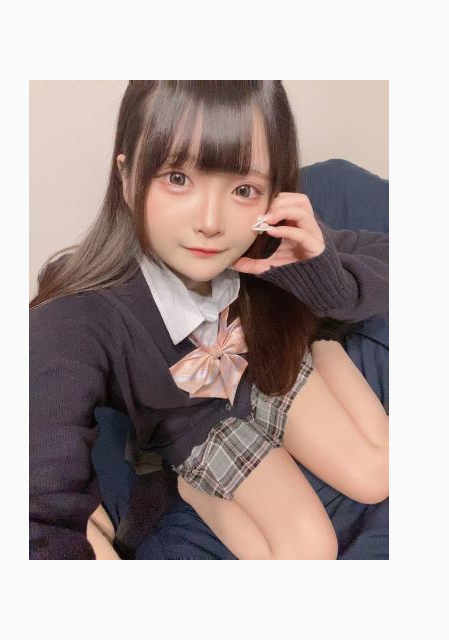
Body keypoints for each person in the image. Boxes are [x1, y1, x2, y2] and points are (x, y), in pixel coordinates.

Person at [30, 80, 389, 560]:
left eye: (243, 189)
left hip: (271, 368)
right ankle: (193, 485)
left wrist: (320, 270)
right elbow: (37, 493)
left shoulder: (268, 242)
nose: (211, 222)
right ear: (127, 175)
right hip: (200, 427)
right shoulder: (83, 312)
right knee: (309, 549)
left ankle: (323, 342)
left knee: (379, 475)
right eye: (178, 178)